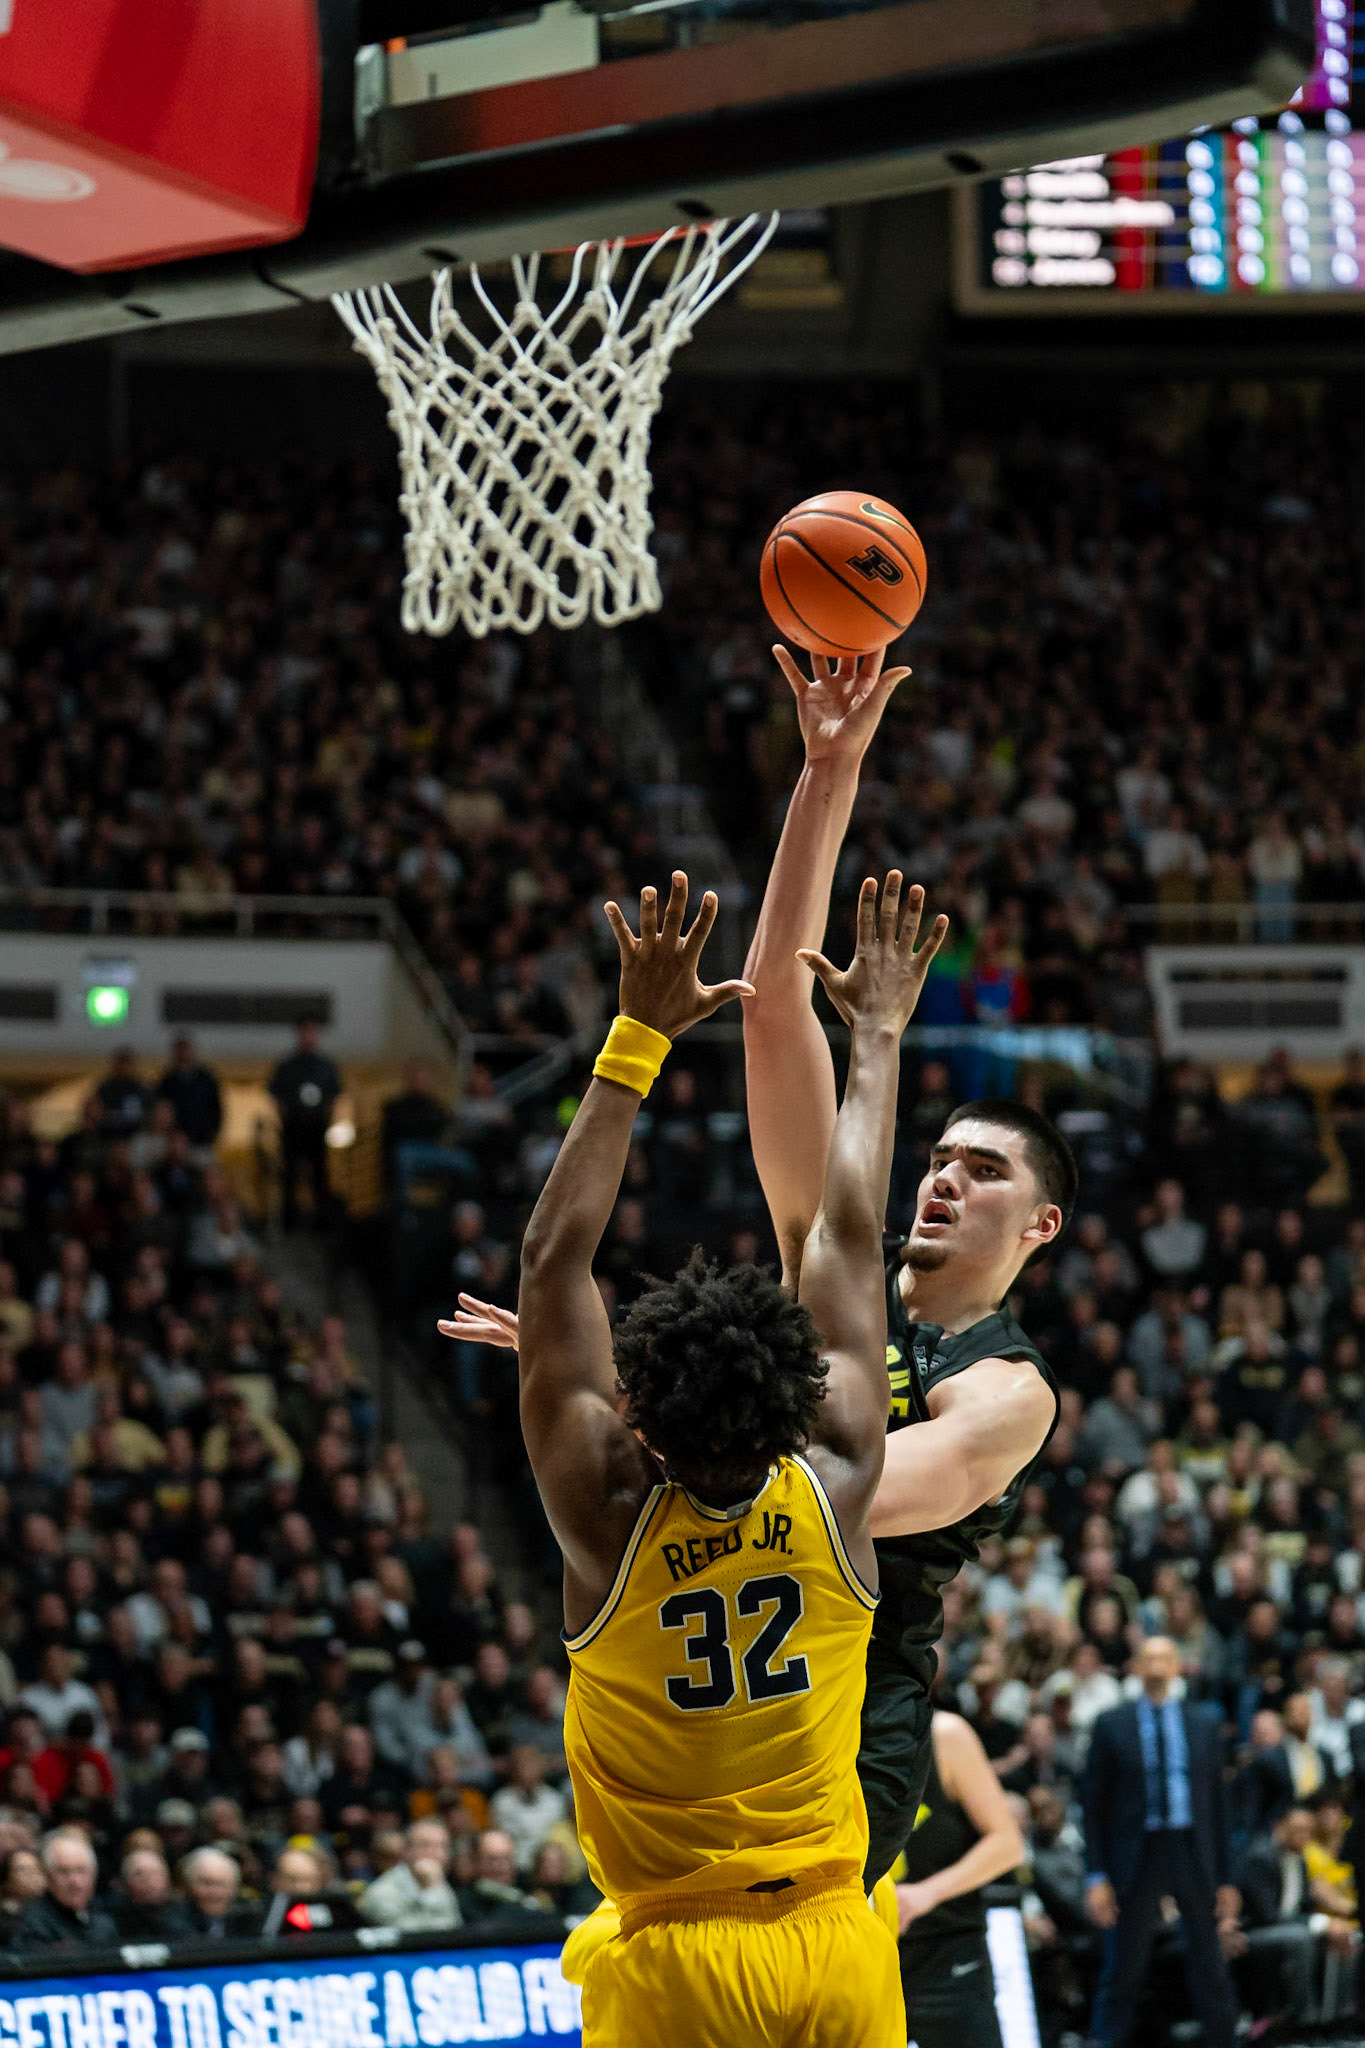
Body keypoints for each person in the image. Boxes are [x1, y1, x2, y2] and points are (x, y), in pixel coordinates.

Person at [492, 868, 928, 2046]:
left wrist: (635, 1039)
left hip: (680, 1961)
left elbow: (550, 1261)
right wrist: (878, 1034)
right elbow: (844, 1226)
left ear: (637, 1415)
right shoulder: (838, 1467)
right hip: (837, 1941)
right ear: (796, 1396)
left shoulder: (607, 1509)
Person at [739, 648, 1068, 1883]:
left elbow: (831, 1498)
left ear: (1041, 1227)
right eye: (938, 1156)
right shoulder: (835, 1258)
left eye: (986, 1171)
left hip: (839, 1758)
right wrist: (828, 769)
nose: (943, 1175)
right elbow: (774, 1004)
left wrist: (621, 1400)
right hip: (712, 1712)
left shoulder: (1007, 1390)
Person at [1082, 1636, 1239, 2048]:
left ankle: (1224, 2040)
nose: (1155, 1665)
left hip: (1192, 1846)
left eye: (1164, 1657)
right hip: (1138, 1850)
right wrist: (1096, 1874)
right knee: (1125, 1962)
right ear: (1136, 1666)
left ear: (1176, 1667)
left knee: (1209, 1959)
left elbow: (1219, 1805)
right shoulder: (1112, 1723)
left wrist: (1227, 1878)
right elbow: (1093, 1806)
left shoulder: (1203, 1722)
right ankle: (1105, 2040)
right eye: (1148, 1657)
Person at [895, 1710, 1026, 2048]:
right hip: (862, 1958)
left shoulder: (943, 1735)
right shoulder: (831, 1737)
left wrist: (926, 1894)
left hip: (946, 1953)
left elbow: (1007, 1843)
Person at [269, 1020, 340, 1229]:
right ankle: (289, 1222)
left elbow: (334, 1098)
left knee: (320, 1178)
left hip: (317, 1132)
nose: (308, 1037)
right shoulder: (287, 1066)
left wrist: (326, 1122)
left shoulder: (326, 1066)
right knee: (289, 1177)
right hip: (293, 1131)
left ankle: (321, 1224)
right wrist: (286, 1121)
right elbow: (277, 1097)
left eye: (312, 1032)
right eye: (304, 1032)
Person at [13, 1827, 120, 1950]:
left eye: (81, 1871)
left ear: (94, 1875)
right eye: (64, 1872)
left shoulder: (104, 1923)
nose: (75, 1882)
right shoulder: (31, 1924)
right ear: (48, 1876)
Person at [358, 1816, 461, 1931]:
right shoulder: (381, 1893)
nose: (436, 1854)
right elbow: (415, 1938)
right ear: (406, 1851)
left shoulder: (439, 1882)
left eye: (442, 1846)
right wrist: (433, 1891)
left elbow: (455, 1927)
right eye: (425, 1845)